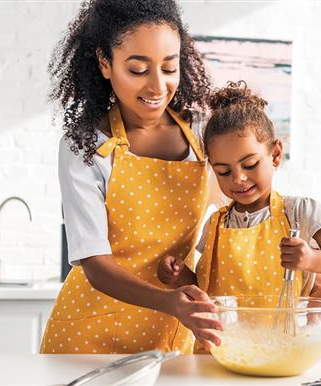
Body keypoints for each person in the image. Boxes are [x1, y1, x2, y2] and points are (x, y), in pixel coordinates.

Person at [40, 0, 223, 355]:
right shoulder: (86, 146)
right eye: (138, 69)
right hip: (88, 336)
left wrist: (309, 278)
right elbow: (94, 263)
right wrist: (169, 301)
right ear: (105, 63)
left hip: (170, 333)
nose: (157, 87)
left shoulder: (202, 133)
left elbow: (245, 215)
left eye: (169, 68)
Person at [158, 81, 321, 316]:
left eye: (249, 165)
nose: (238, 178)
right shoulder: (215, 225)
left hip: (281, 348)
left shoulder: (297, 212)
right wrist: (181, 277)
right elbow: (213, 297)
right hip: (222, 349)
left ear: (275, 154)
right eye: (223, 172)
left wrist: (311, 259)